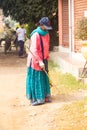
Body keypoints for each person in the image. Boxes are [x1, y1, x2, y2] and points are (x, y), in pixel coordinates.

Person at [26, 17, 52, 106]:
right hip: (35, 59)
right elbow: (34, 50)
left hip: (44, 58)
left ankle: (45, 96)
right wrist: (40, 61)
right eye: (45, 26)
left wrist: (46, 57)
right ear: (41, 25)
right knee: (37, 79)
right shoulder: (36, 34)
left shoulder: (47, 33)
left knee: (44, 77)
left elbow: (47, 45)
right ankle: (37, 98)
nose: (46, 28)